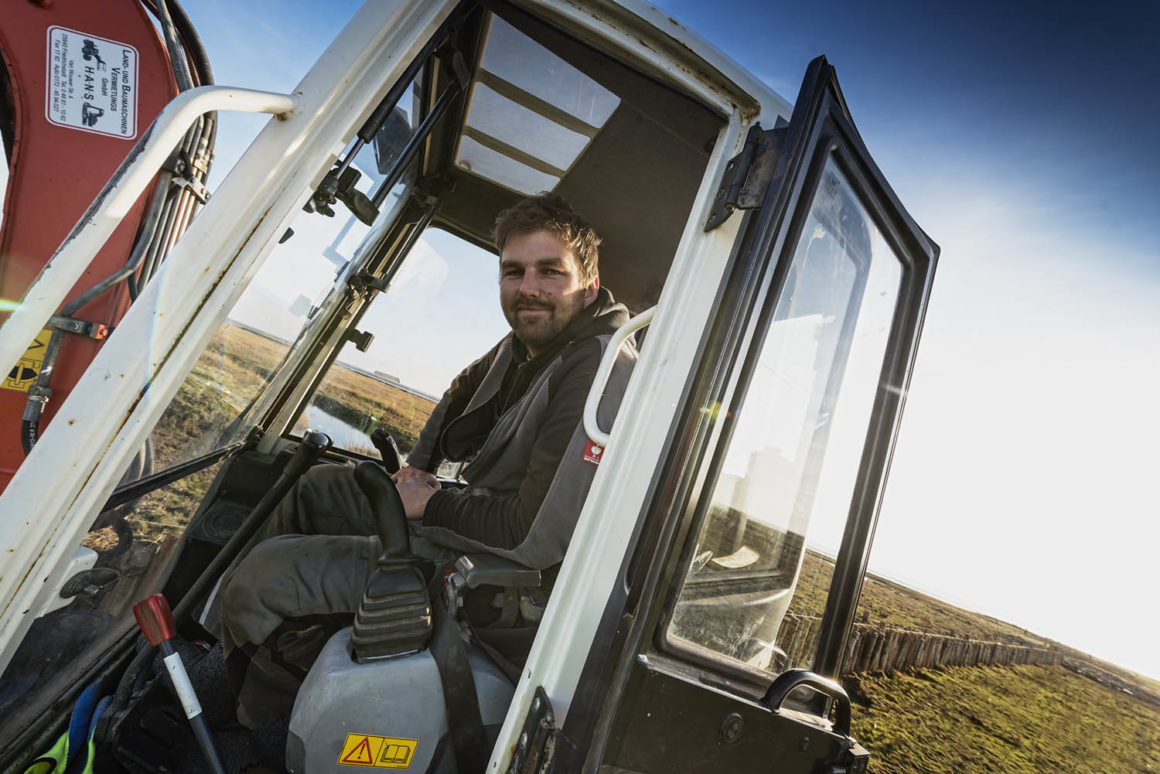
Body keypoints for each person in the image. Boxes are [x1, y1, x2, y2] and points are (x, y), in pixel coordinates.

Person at [219, 194, 636, 727]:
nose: (528, 288)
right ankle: (255, 645)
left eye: (550, 272)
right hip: (476, 521)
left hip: (503, 579)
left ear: (589, 288)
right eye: (514, 272)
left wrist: (431, 504)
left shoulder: (598, 371)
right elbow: (462, 390)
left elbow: (532, 537)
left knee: (263, 577)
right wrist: (415, 469)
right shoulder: (530, 342)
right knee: (319, 486)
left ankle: (259, 730)